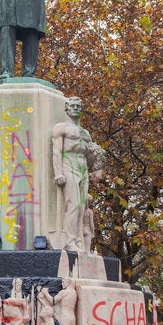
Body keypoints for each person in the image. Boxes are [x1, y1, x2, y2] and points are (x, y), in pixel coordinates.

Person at [52, 97, 103, 251]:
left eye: (78, 106)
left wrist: (98, 166)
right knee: (72, 205)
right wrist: (58, 173)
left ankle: (78, 240)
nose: (75, 108)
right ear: (66, 108)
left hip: (83, 167)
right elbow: (56, 151)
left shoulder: (85, 132)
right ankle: (69, 242)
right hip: (69, 165)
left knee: (81, 207)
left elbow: (93, 153)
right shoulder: (61, 128)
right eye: (72, 106)